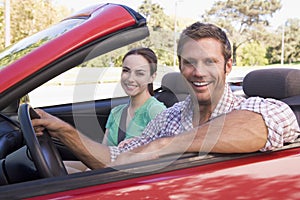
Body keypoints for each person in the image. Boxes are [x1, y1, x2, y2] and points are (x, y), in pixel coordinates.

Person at [32, 22, 300, 169]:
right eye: (189, 62)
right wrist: (64, 131)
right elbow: (115, 158)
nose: (198, 72)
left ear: (228, 66)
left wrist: (163, 146)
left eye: (210, 62)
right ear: (180, 66)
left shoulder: (255, 107)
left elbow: (273, 120)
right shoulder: (169, 118)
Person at [102, 47, 166, 146]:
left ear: (152, 77)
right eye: (126, 71)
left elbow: (165, 152)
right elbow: (102, 154)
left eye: (139, 73)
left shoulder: (156, 111)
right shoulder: (116, 112)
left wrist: (138, 147)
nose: (130, 78)